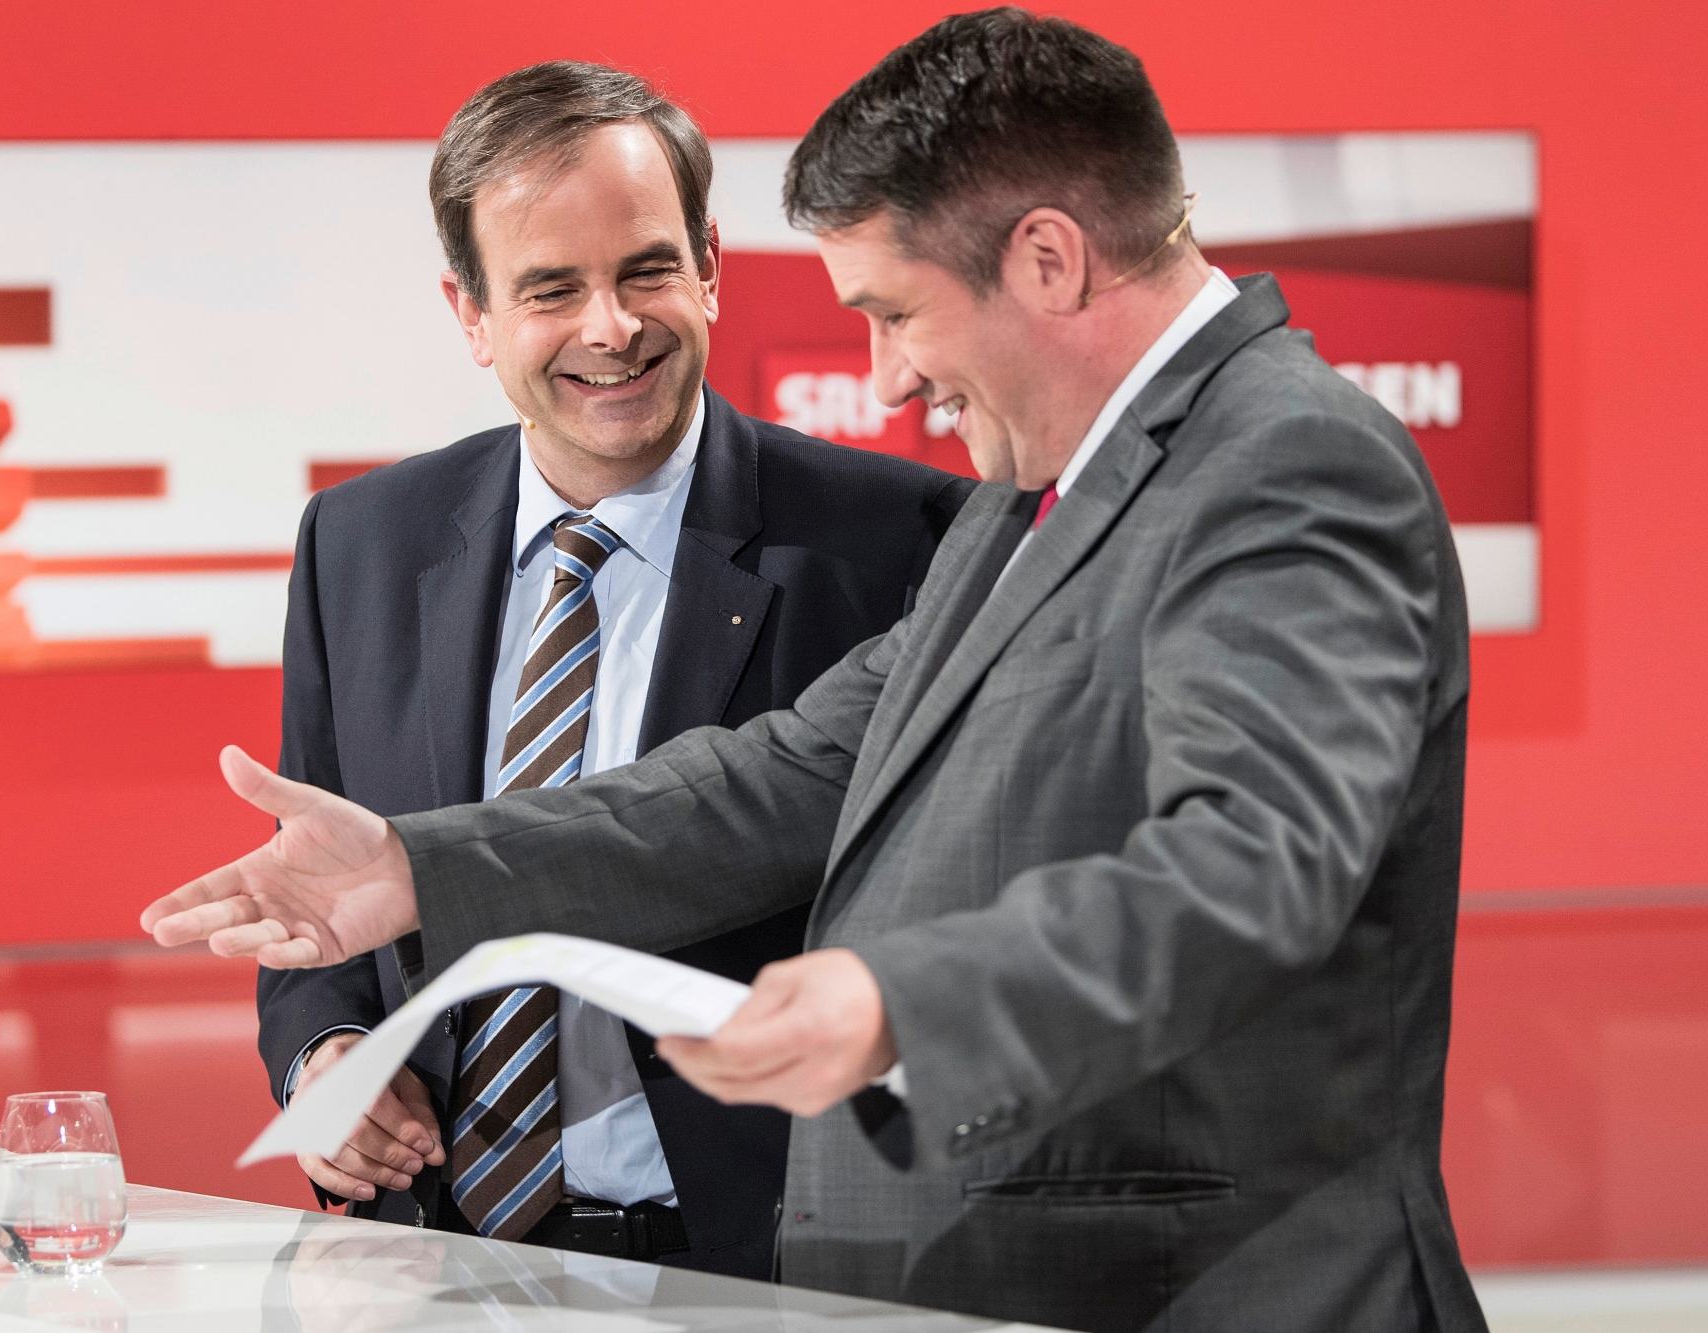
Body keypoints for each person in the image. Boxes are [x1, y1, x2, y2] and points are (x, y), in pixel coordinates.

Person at [147, 12, 1487, 1330]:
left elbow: (1255, 863)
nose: (888, 376)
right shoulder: (1049, 501)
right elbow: (788, 771)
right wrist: (420, 869)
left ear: (1048, 259)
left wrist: (896, 996)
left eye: (896, 312)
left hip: (1219, 1287)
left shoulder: (1284, 460)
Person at [251, 60, 972, 1280]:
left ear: (709, 267)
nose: (610, 326)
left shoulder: (896, 543)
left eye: (645, 269)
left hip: (764, 1269)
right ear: (469, 314)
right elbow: (328, 908)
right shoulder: (359, 543)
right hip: (431, 1262)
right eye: (549, 288)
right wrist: (324, 1056)